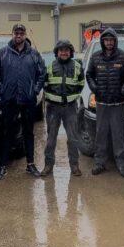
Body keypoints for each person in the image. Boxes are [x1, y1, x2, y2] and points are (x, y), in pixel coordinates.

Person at [0, 23, 45, 180]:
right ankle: (3, 166)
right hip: (9, 100)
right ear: (12, 34)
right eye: (16, 33)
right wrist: (2, 90)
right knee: (7, 132)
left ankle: (30, 164)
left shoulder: (34, 54)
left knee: (28, 132)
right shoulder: (2, 53)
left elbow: (42, 74)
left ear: (25, 35)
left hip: (28, 100)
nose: (18, 35)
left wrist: (35, 90)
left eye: (21, 33)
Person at [85, 28, 124, 177]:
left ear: (115, 41)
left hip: (117, 104)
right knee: (101, 134)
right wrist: (95, 89)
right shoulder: (95, 57)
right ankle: (99, 163)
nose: (109, 42)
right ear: (102, 41)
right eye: (106, 40)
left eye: (111, 40)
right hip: (101, 103)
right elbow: (89, 74)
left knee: (118, 135)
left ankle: (121, 163)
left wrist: (122, 91)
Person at [41, 39, 85, 177]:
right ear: (57, 52)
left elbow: (81, 84)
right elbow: (44, 84)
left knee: (73, 139)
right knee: (51, 139)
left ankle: (74, 166)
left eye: (66, 50)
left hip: (70, 108)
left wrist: (71, 97)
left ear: (70, 52)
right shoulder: (50, 66)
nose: (64, 52)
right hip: (53, 108)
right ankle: (48, 165)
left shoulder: (78, 66)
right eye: (61, 50)